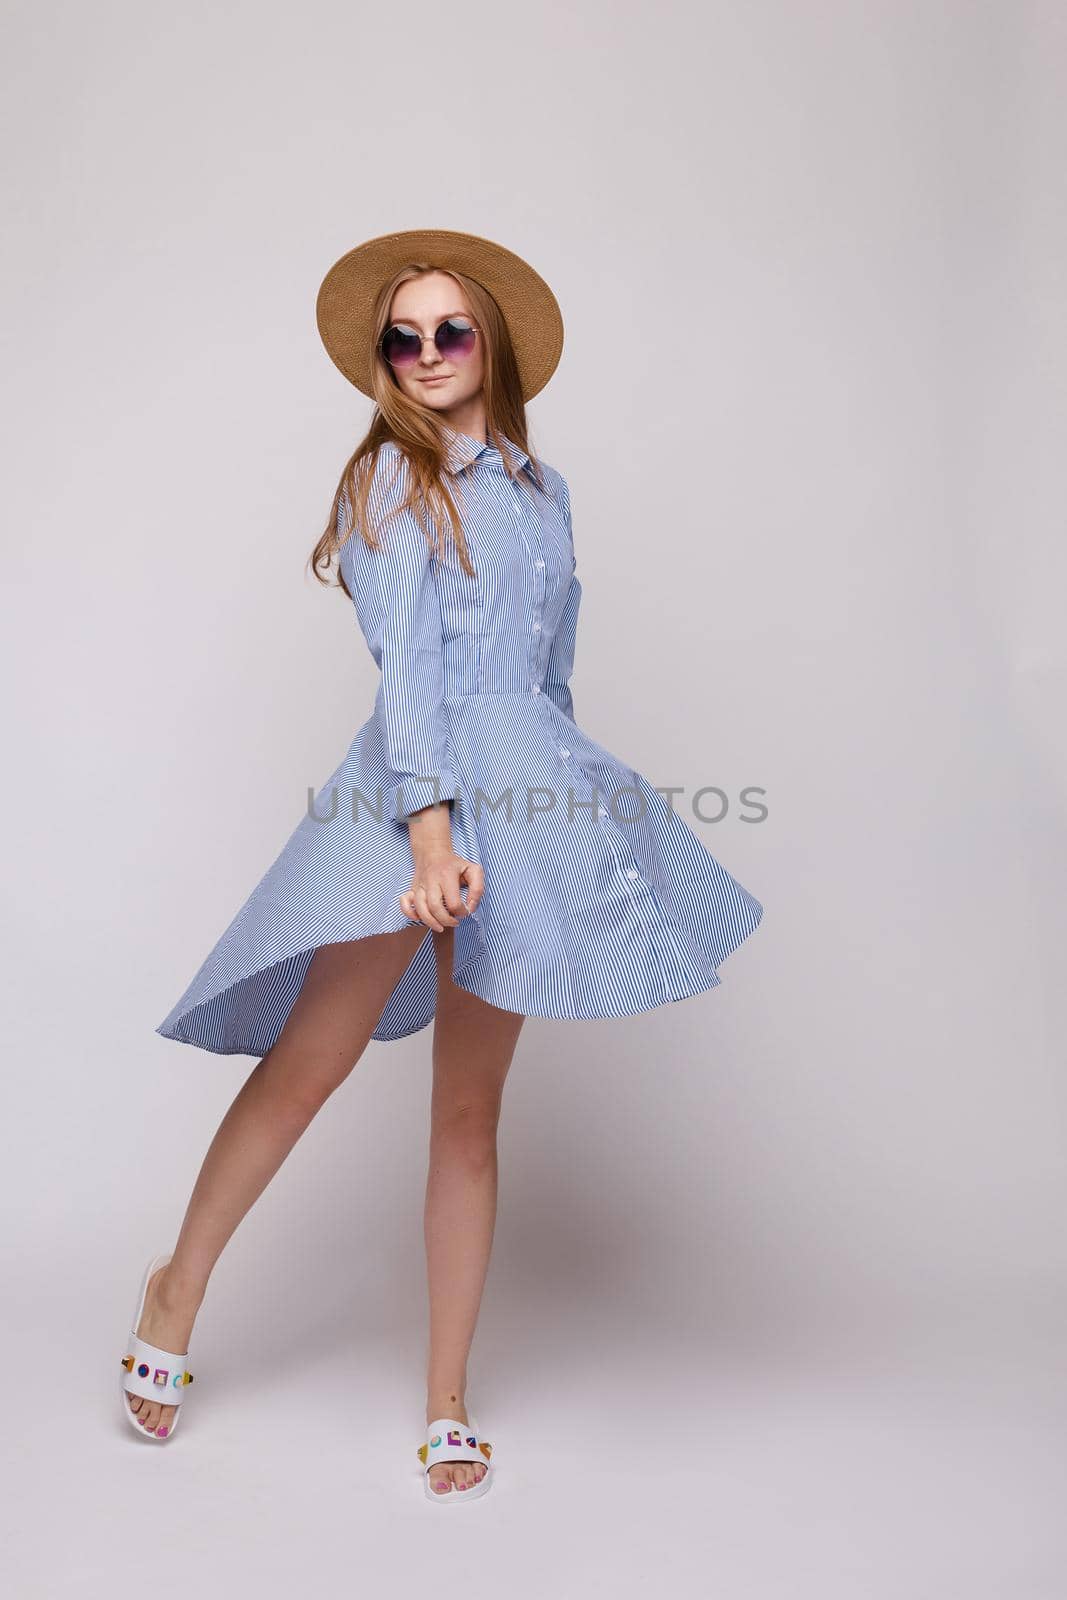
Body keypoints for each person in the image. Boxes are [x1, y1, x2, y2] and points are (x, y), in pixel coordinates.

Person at [121, 229, 765, 1501]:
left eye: (447, 333)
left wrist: (564, 808)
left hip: (525, 793)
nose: (422, 355)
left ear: (492, 347)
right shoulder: (385, 484)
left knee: (470, 1111)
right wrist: (430, 836)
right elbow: (406, 674)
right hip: (412, 798)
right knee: (309, 1064)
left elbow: (550, 675)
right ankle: (173, 1289)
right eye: (399, 337)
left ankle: (446, 1398)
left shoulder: (543, 489)